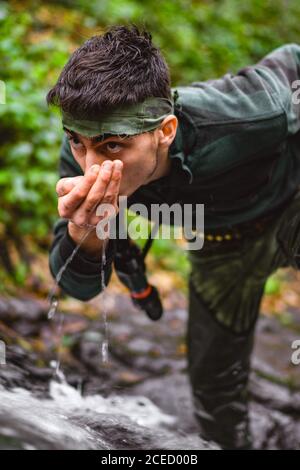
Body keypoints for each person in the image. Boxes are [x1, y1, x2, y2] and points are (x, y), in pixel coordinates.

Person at [46, 25, 300, 449]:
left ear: (164, 131)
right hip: (221, 247)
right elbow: (77, 286)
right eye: (78, 143)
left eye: (111, 146)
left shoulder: (249, 110)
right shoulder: (80, 154)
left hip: (291, 204)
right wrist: (85, 229)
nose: (89, 166)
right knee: (215, 392)